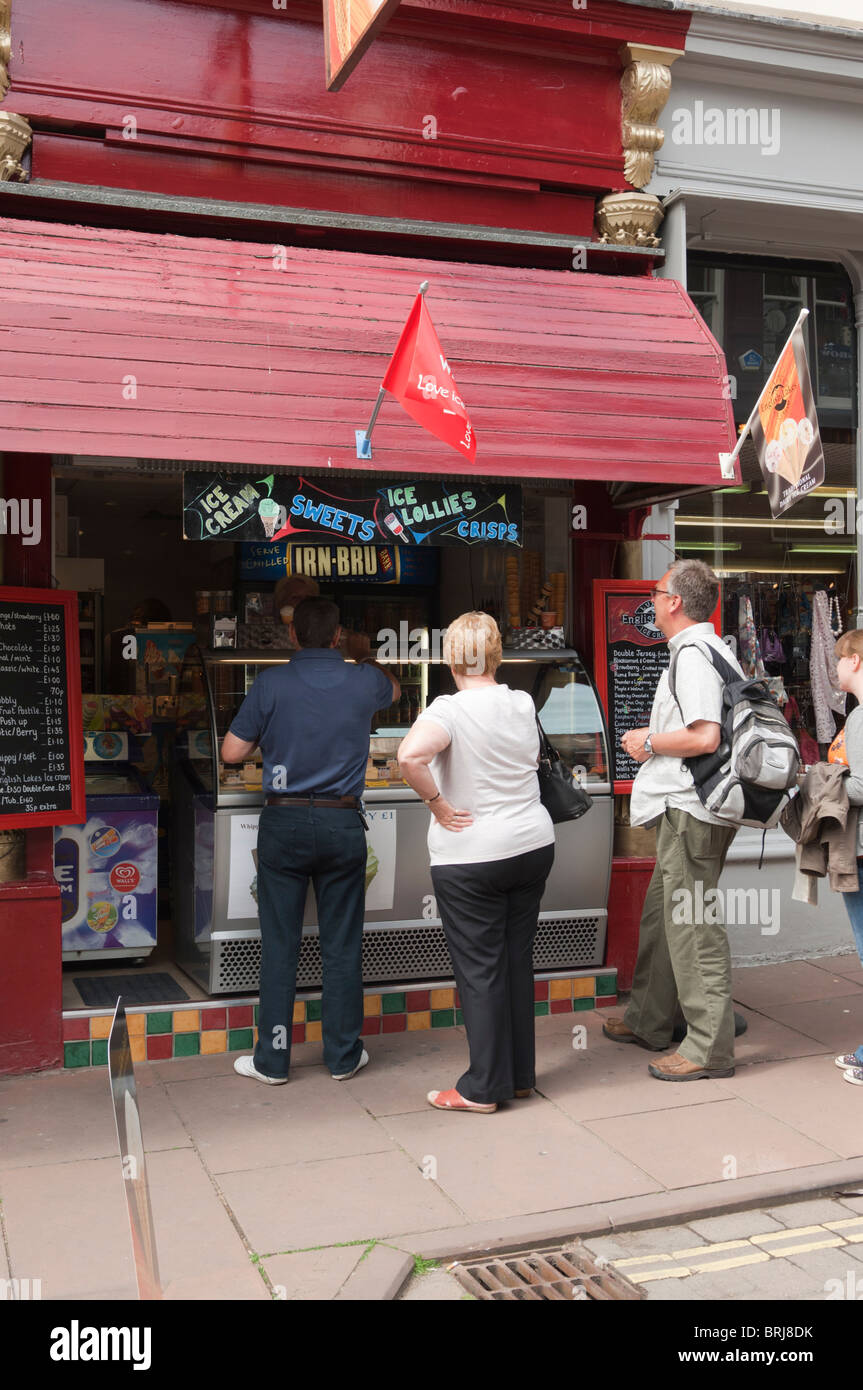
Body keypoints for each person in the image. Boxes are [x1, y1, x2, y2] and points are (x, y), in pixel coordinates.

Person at [221, 596, 399, 1084]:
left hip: (284, 823)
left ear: (292, 636)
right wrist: (367, 656)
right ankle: (342, 1057)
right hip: (343, 825)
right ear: (338, 636)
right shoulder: (364, 679)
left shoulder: (272, 682)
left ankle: (273, 1060)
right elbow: (395, 689)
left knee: (281, 945)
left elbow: (232, 753)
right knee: (342, 946)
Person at [398, 611, 555, 1113]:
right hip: (531, 846)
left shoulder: (449, 709)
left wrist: (438, 805)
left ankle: (483, 1088)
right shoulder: (521, 701)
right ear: (496, 654)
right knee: (515, 960)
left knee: (481, 970)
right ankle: (519, 1076)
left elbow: (408, 758)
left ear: (450, 658)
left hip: (472, 858)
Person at [604, 559, 742, 1081]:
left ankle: (709, 1048)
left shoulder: (693, 657)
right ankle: (649, 1019)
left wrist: (648, 740)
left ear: (674, 602)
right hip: (684, 808)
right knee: (664, 919)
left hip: (693, 810)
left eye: (657, 592)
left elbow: (705, 737)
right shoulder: (701, 650)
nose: (652, 599)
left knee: (692, 926)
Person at [827, 628, 863, 1087]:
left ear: (855, 660)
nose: (833, 667)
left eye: (838, 659)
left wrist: (825, 780)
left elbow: (861, 786)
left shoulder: (859, 718)